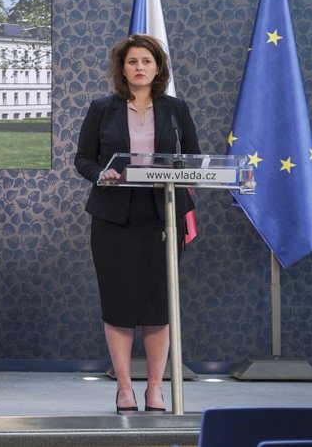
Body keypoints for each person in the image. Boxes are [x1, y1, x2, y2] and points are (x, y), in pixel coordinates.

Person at [74, 34, 200, 414]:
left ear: (158, 67)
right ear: (122, 68)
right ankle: (125, 389)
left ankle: (156, 390)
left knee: (157, 306)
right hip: (114, 218)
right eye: (132, 62)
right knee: (119, 304)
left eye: (146, 61)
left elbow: (192, 159)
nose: (139, 67)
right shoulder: (102, 108)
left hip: (162, 216)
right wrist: (102, 175)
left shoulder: (176, 110)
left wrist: (177, 176)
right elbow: (83, 159)